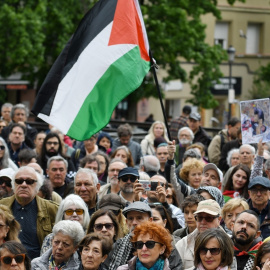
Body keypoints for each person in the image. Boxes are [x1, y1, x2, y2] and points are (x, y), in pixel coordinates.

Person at [0, 166, 58, 259]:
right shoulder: (1, 207)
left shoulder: (52, 209)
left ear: (37, 186)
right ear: (13, 185)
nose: (23, 185)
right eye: (19, 181)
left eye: (29, 181)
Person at [104, 201, 182, 270]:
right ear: (126, 222)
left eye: (139, 218)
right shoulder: (118, 245)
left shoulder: (168, 246)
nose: (134, 222)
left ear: (150, 220)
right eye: (131, 218)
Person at [175, 199, 223, 270]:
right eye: (200, 218)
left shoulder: (229, 243)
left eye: (208, 218)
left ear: (219, 219)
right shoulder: (182, 244)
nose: (203, 222)